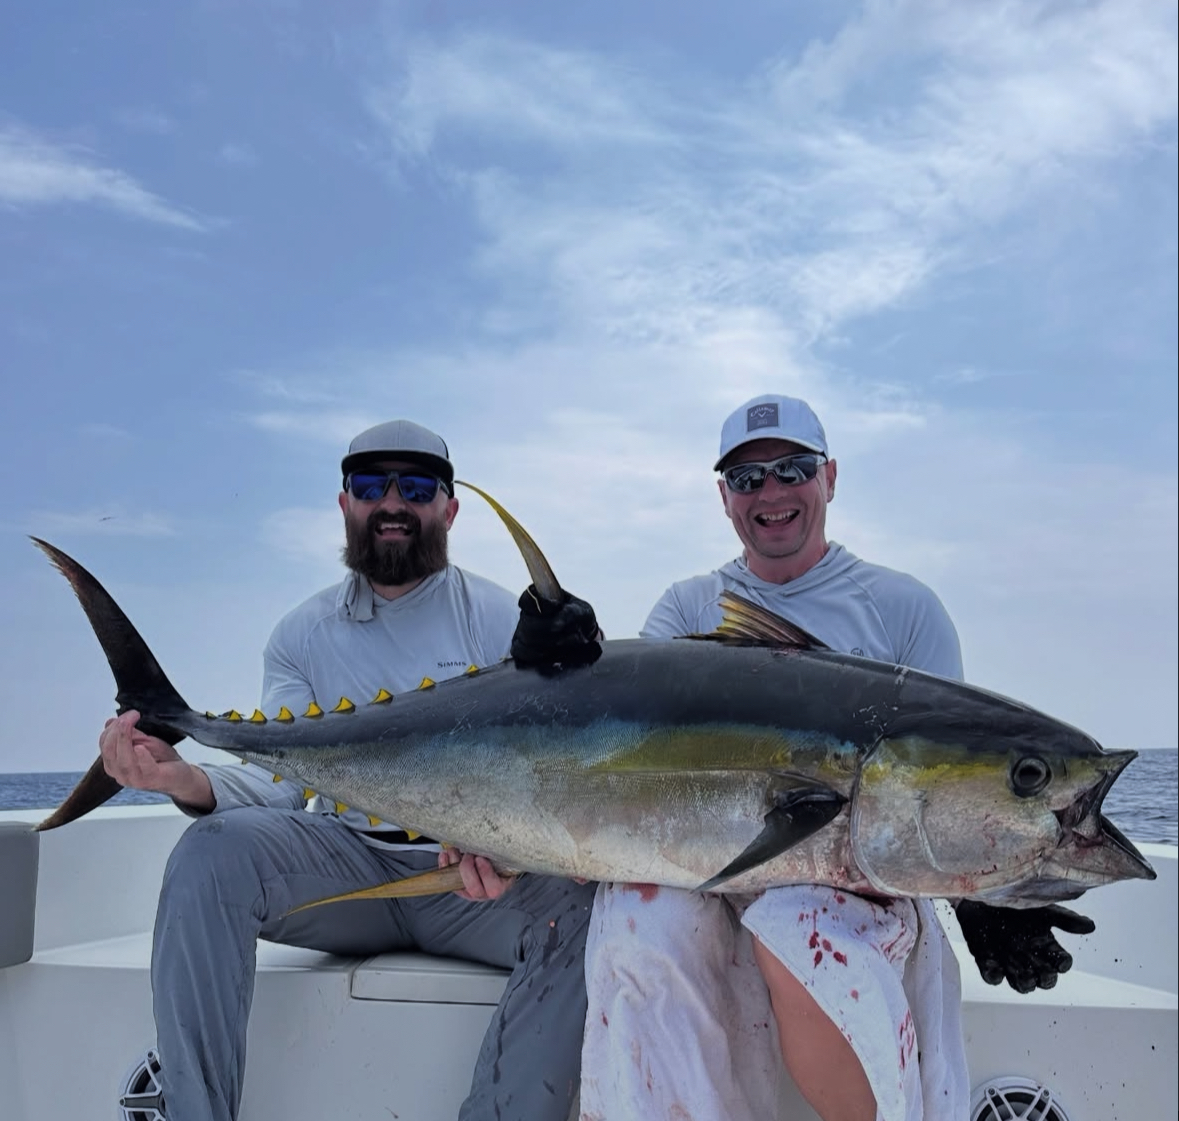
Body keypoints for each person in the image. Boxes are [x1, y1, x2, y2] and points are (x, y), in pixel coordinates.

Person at [576, 394, 1096, 1121]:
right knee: (637, 921)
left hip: (856, 886)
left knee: (799, 922)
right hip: (705, 869)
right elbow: (630, 755)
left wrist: (980, 896)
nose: (771, 492)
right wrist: (564, 664)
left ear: (829, 476)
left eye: (791, 468)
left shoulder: (901, 607)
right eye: (748, 478)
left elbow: (947, 783)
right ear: (724, 497)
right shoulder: (685, 610)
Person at [98, 419, 598, 1121]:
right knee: (209, 854)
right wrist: (182, 779)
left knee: (585, 912)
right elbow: (282, 788)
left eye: (417, 485)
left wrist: (512, 842)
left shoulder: (498, 619)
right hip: (348, 868)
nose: (392, 501)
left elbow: (553, 767)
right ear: (344, 504)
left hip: (473, 882)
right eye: (370, 484)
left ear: (448, 509)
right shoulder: (301, 633)